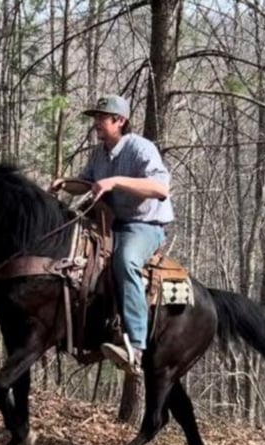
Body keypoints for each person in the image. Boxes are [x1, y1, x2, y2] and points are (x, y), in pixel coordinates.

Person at [51, 94, 174, 376]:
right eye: (95, 118)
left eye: (101, 118)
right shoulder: (100, 154)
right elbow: (87, 184)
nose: (96, 123)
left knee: (126, 261)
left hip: (144, 226)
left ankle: (137, 347)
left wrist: (116, 181)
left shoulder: (141, 148)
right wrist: (65, 183)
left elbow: (160, 189)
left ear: (120, 121)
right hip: (109, 225)